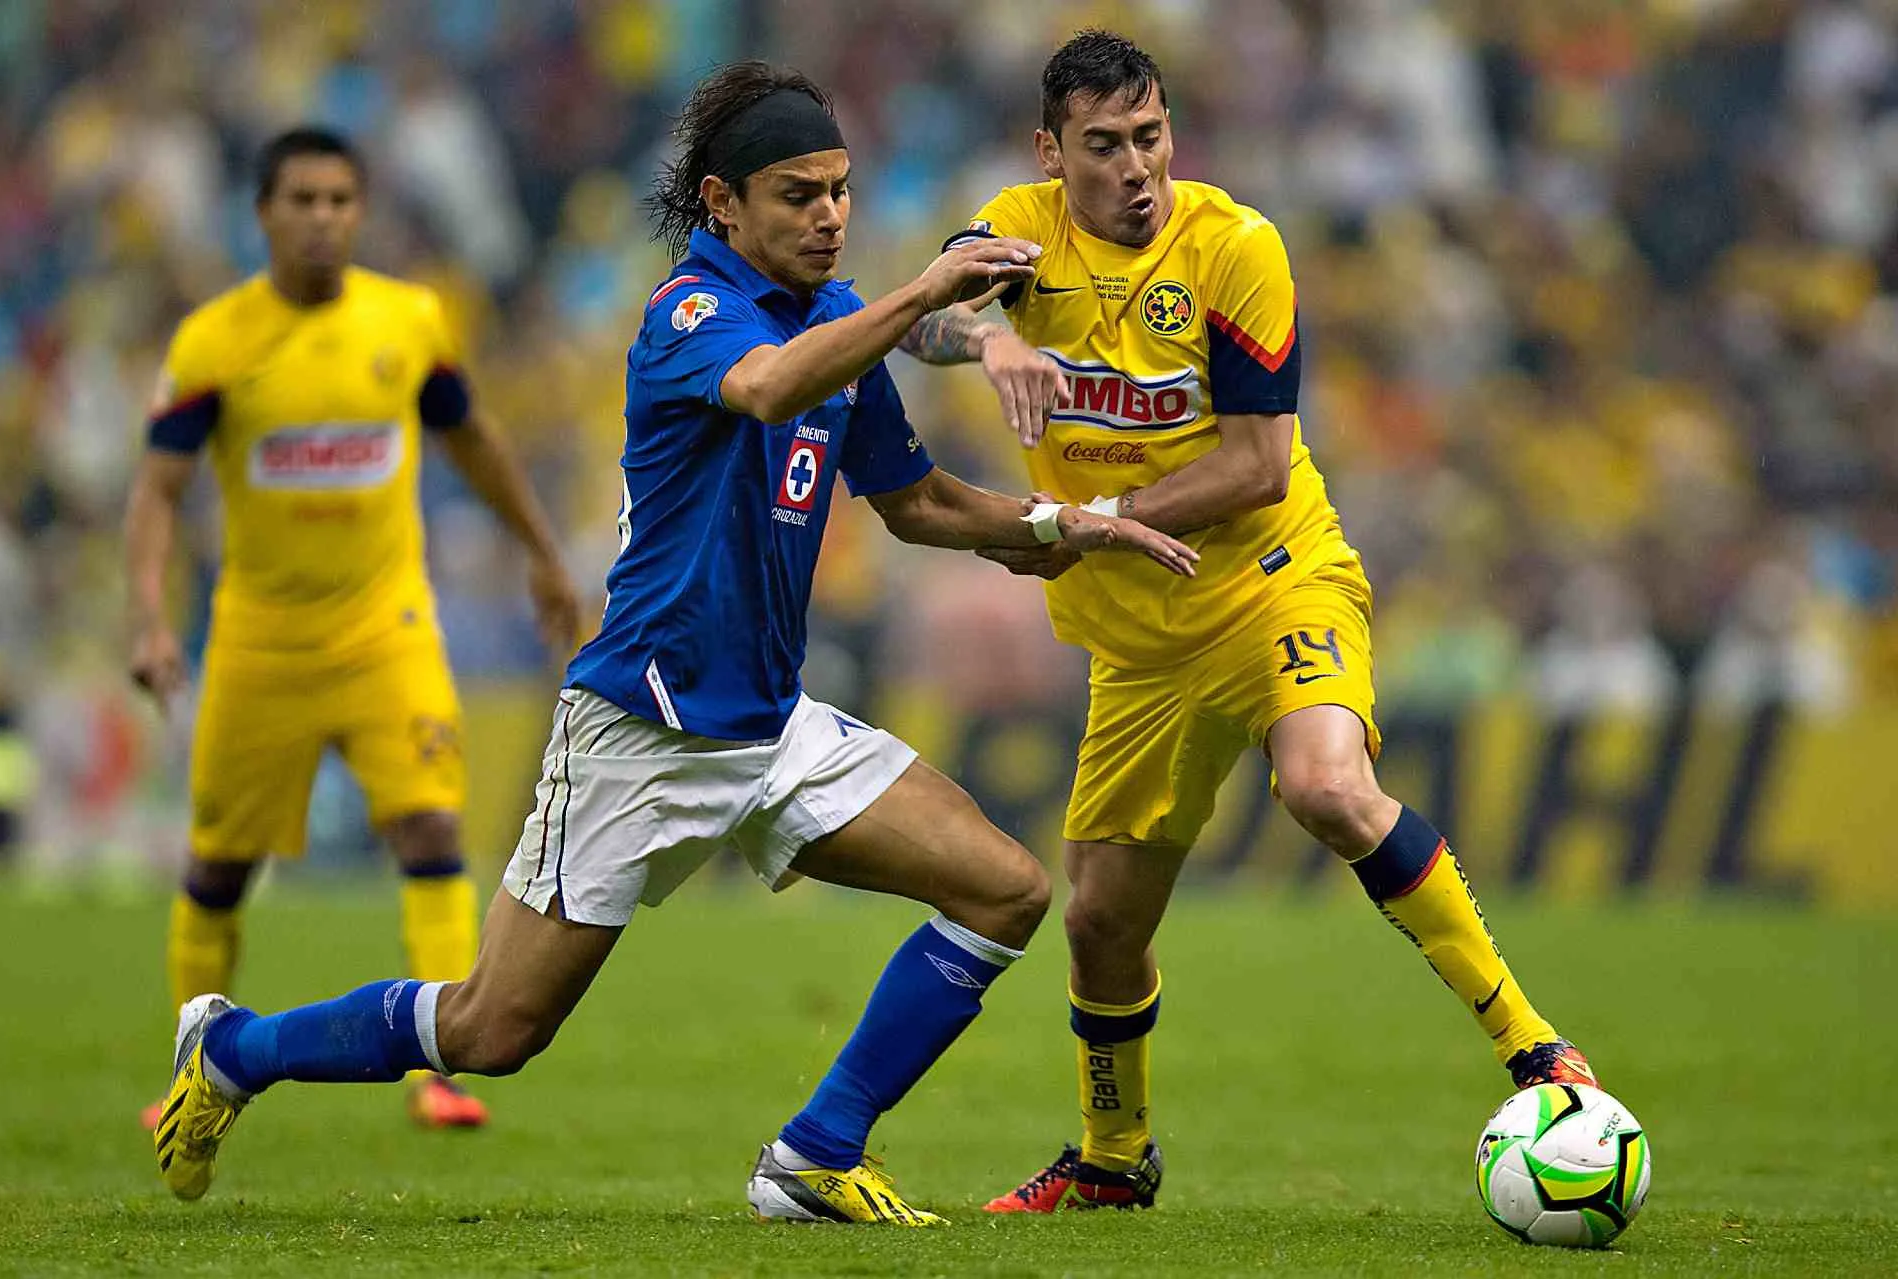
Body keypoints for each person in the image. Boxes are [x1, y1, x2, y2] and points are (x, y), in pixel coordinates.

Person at [150, 61, 1199, 1224]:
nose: (831, 215)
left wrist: (1063, 525)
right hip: (642, 731)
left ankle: (813, 1153)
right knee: (492, 1030)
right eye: (799, 194)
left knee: (1005, 890)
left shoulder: (836, 319)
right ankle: (238, 1047)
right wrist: (918, 300)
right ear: (722, 204)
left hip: (770, 723)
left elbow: (916, 503)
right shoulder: (691, 315)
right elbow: (762, 389)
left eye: (842, 190)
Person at [899, 30, 1598, 1214]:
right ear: (1051, 151)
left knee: (1325, 786)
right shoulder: (1019, 227)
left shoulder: (1233, 247)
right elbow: (922, 316)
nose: (1137, 168)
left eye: (1151, 137)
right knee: (1102, 922)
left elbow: (1261, 465)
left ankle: (1535, 1046)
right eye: (1105, 145)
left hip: (1273, 579)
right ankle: (1114, 1161)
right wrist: (992, 333)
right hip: (1137, 643)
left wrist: (1097, 515)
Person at [126, 127, 580, 1132]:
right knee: (219, 867)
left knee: (428, 827)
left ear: (360, 210)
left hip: (388, 630)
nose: (323, 217)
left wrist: (544, 553)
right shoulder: (216, 341)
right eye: (303, 200)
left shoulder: (409, 321)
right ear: (264, 214)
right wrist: (152, 618)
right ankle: (192, 1065)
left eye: (341, 200)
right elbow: (157, 490)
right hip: (260, 641)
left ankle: (440, 1071)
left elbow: (476, 440)